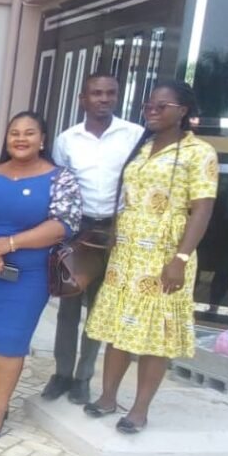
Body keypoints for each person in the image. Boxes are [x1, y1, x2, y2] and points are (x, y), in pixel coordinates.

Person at [83, 81, 217, 434]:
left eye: (161, 106)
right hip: (127, 253)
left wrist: (181, 258)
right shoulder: (142, 148)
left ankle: (140, 409)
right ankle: (108, 397)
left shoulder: (198, 152)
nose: (152, 111)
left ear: (183, 111)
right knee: (117, 328)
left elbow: (202, 210)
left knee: (154, 334)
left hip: (164, 255)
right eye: (148, 105)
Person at [0, 111, 82, 441]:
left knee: (11, 340)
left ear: (42, 139)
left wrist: (9, 244)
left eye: (29, 133)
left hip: (29, 273)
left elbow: (63, 224)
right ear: (6, 138)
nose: (21, 139)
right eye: (14, 133)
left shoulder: (60, 178)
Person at [44, 74, 144, 404]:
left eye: (110, 93)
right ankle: (61, 374)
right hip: (78, 230)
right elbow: (60, 187)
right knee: (68, 305)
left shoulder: (134, 135)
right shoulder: (67, 140)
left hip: (116, 230)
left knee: (99, 310)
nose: (103, 99)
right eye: (96, 93)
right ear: (82, 99)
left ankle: (83, 378)